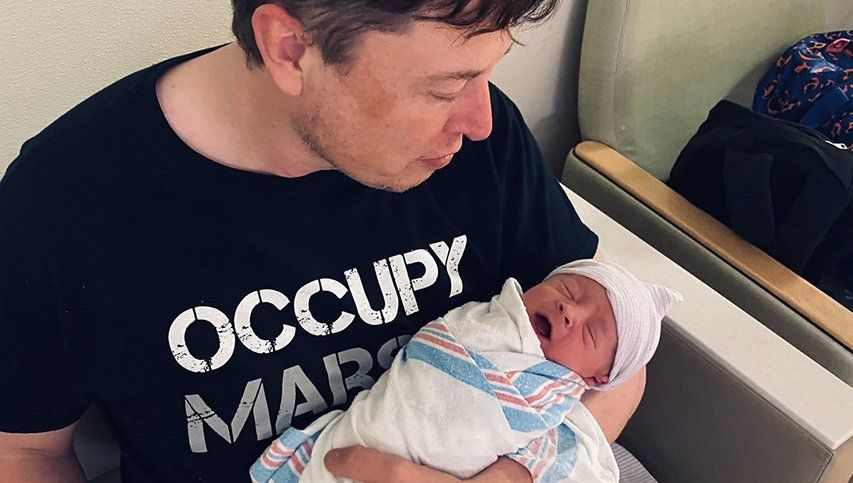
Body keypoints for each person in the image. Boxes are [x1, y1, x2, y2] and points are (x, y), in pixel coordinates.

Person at [0, 2, 647, 481]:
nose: (480, 120)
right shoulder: (62, 207)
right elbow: (24, 451)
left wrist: (517, 476)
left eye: (486, 75)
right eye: (446, 88)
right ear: (289, 49)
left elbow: (620, 353)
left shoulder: (482, 142)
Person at [251, 259, 680, 482]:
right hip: (357, 441)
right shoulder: (486, 321)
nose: (569, 310)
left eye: (591, 332)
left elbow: (576, 456)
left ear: (595, 379)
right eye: (567, 289)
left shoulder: (554, 395)